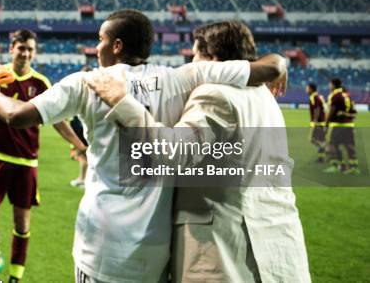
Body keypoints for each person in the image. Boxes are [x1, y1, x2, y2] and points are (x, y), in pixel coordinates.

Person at [0, 11, 286, 283]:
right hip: (156, 250)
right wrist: (281, 62)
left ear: (116, 45)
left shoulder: (86, 82)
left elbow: (15, 115)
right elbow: (267, 68)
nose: (96, 47)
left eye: (100, 39)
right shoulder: (183, 77)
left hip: (102, 244)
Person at [85, 20, 310, 283]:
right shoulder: (265, 96)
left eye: (195, 54)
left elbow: (170, 154)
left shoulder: (215, 95)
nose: (191, 62)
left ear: (212, 59)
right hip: (279, 244)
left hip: (226, 255)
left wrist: (123, 103)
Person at [0, 29, 87, 282]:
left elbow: (58, 119)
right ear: (12, 49)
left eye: (30, 49)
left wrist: (78, 144)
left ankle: (16, 276)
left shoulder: (40, 83)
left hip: (26, 162)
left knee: (22, 224)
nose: (26, 53)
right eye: (21, 48)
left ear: (34, 52)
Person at [323, 78, 358, 174]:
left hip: (337, 125)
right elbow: (354, 112)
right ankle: (353, 167)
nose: (329, 86)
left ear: (333, 85)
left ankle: (338, 166)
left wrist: (326, 124)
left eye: (330, 84)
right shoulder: (347, 95)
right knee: (349, 145)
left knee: (333, 145)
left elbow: (331, 111)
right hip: (349, 124)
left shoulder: (334, 95)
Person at [306, 83, 327, 162]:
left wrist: (315, 121)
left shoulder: (314, 97)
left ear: (311, 89)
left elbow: (317, 109)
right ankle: (321, 157)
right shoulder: (318, 96)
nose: (306, 90)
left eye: (307, 88)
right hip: (321, 122)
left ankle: (327, 149)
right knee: (320, 140)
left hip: (318, 123)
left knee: (312, 139)